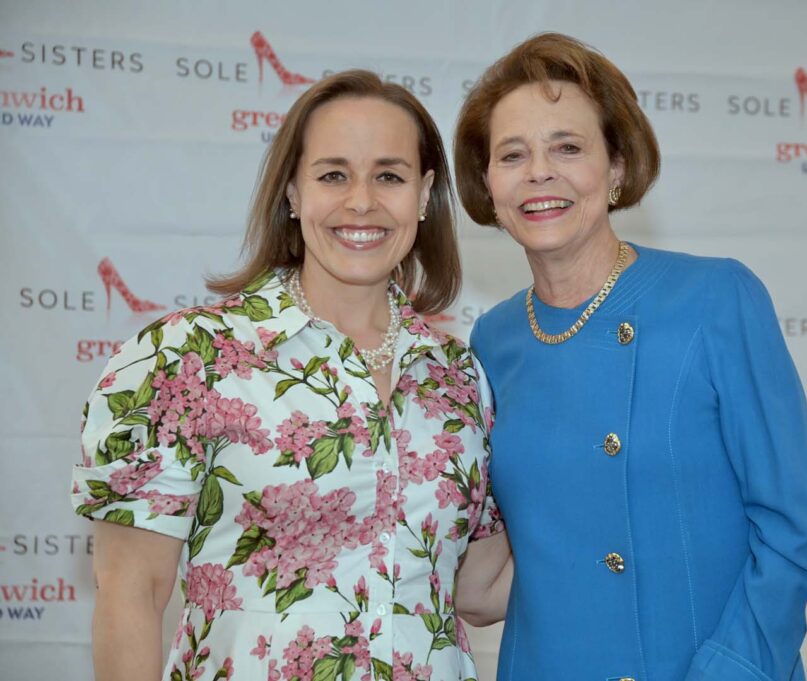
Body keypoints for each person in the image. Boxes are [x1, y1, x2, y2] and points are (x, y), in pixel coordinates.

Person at [71, 70, 502, 681]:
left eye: (389, 176)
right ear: (293, 193)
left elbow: (481, 586)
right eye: (333, 175)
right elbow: (130, 592)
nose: (362, 201)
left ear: (424, 193)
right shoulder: (185, 358)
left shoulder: (458, 376)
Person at [452, 33, 807, 681]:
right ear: (488, 184)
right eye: (512, 154)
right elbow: (504, 562)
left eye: (568, 147)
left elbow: (790, 542)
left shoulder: (715, 299)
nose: (539, 172)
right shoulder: (493, 340)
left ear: (618, 167)